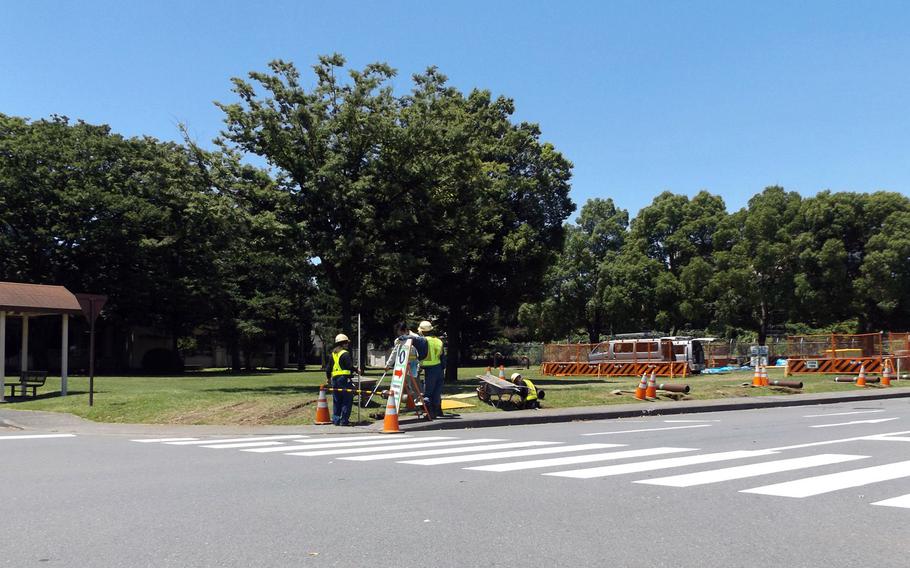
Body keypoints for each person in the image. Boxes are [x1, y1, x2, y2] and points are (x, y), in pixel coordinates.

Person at [326, 333, 358, 426]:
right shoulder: (345, 353)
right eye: (346, 343)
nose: (347, 345)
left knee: (337, 400)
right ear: (343, 344)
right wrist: (356, 370)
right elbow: (349, 366)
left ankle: (336, 420)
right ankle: (344, 421)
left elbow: (328, 369)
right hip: (344, 379)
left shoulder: (333, 354)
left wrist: (328, 379)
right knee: (347, 400)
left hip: (335, 380)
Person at [418, 320, 446, 418]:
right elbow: (442, 356)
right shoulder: (438, 340)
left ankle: (430, 413)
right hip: (439, 369)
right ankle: (438, 411)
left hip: (430, 370)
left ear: (421, 331)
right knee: (437, 392)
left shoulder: (423, 340)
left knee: (428, 393)